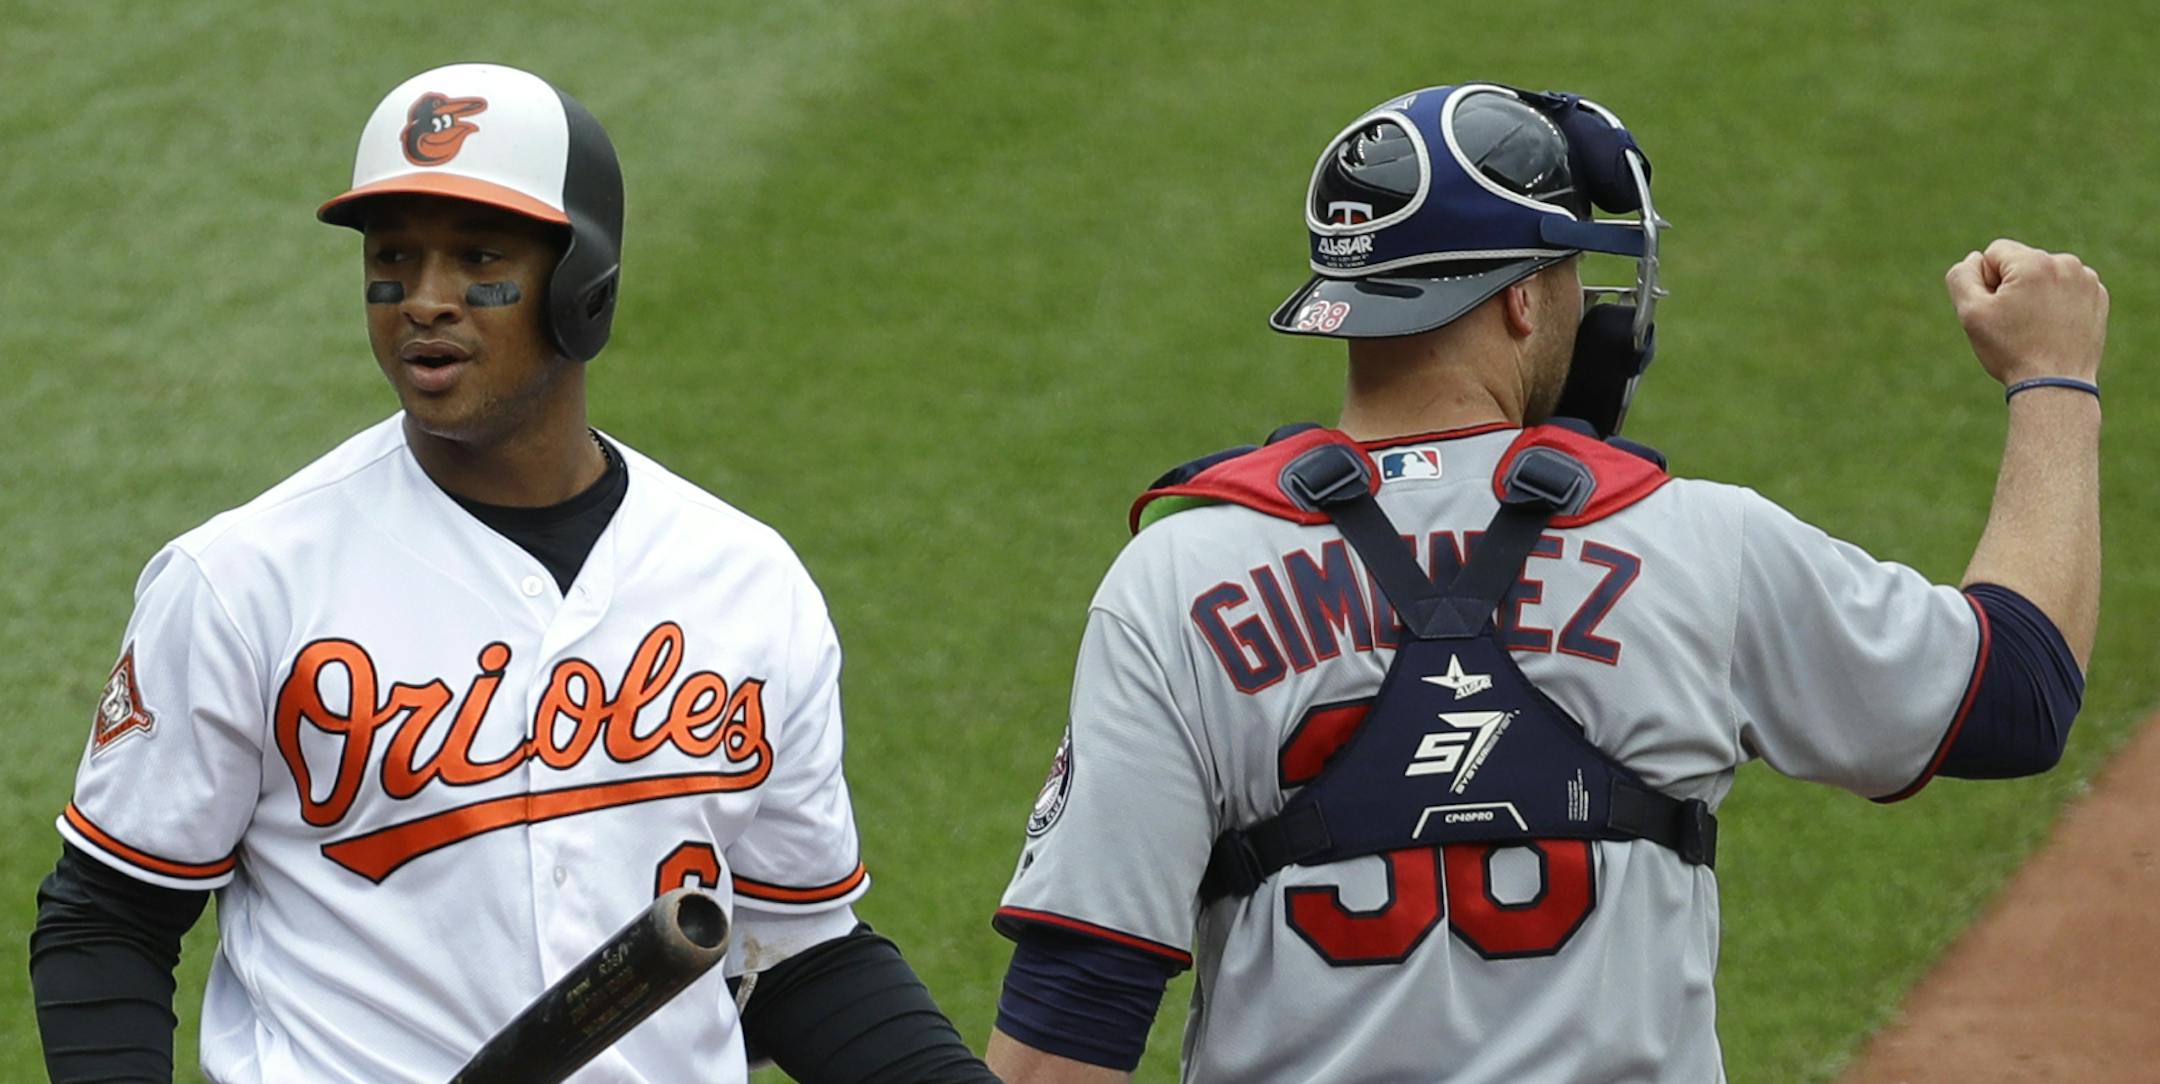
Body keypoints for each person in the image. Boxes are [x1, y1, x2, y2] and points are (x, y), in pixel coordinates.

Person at [984, 81, 2104, 1082]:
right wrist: (2053, 376)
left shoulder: (1177, 577)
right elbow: (2018, 694)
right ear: (1524, 299)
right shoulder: (1701, 546)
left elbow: (1068, 1019)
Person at [30, 62, 997, 1084]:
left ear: (584, 283)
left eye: (479, 258)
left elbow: (796, 952)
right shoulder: (243, 580)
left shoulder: (745, 581)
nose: (424, 301)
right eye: (394, 259)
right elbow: (109, 917)